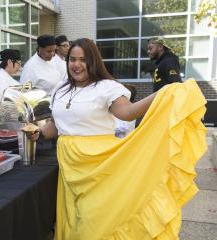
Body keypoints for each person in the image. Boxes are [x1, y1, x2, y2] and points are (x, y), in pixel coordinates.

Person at [24, 38, 206, 239]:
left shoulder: (107, 87)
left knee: (94, 225)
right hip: (70, 166)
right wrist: (39, 133)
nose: (76, 65)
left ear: (94, 61)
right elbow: (56, 125)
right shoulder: (61, 89)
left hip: (101, 164)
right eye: (72, 59)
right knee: (75, 221)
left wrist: (162, 93)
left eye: (83, 60)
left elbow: (128, 112)